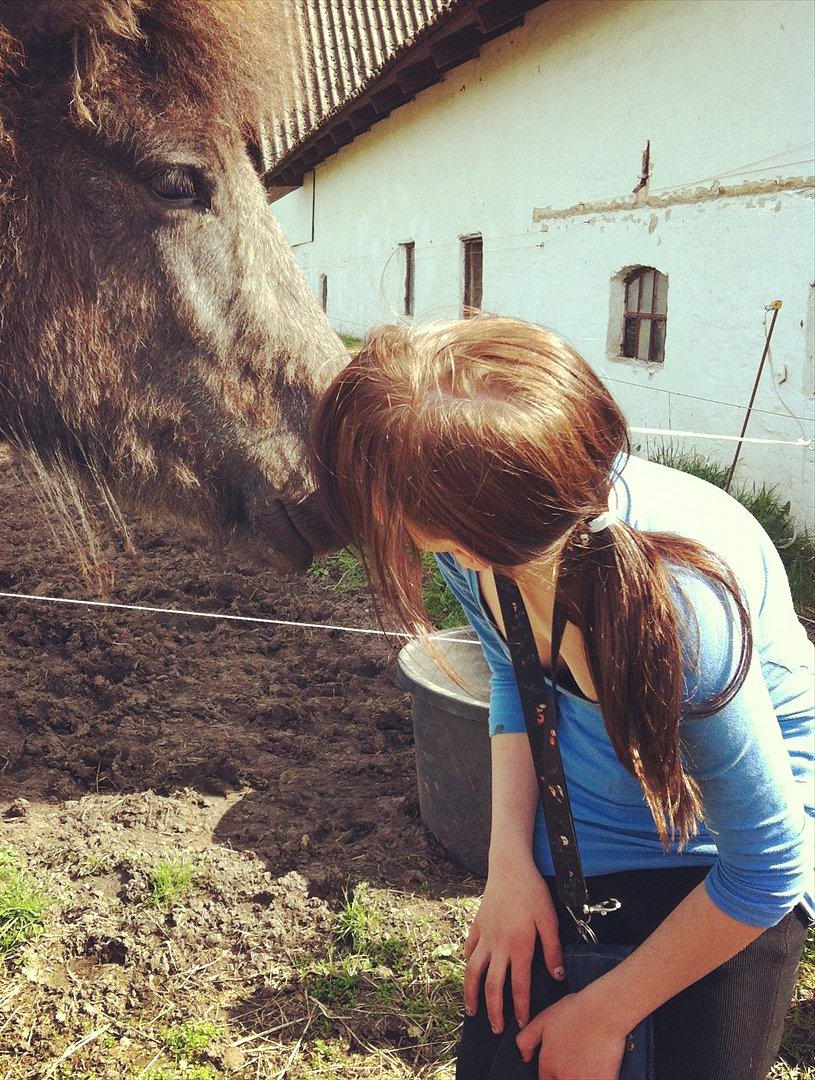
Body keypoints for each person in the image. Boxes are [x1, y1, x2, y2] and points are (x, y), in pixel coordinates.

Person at [311, 317, 813, 1080]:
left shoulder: (684, 612)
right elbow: (518, 676)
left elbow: (768, 868)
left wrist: (603, 1012)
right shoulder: (476, 551)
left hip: (725, 853)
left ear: (468, 528)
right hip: (582, 823)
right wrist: (508, 865)